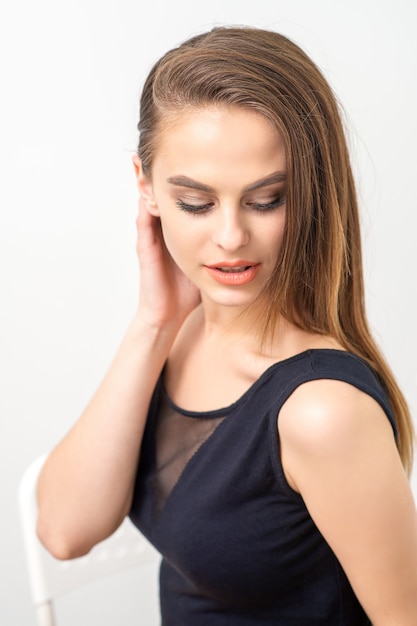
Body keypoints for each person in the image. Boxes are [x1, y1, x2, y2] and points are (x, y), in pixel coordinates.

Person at [36, 26, 417, 625]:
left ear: (311, 195)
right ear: (146, 188)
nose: (231, 237)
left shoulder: (322, 411)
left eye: (266, 199)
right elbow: (63, 530)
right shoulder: (183, 333)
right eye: (196, 202)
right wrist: (154, 320)